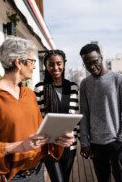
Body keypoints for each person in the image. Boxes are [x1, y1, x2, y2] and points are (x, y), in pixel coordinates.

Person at [0, 38, 75, 181]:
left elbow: (40, 135)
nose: (34, 66)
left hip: (38, 171)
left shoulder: (29, 94)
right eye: (32, 61)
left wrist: (57, 140)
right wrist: (19, 146)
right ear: (19, 62)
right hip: (12, 177)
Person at [79, 44, 122, 182]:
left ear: (101, 58)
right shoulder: (84, 84)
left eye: (94, 61)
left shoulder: (118, 79)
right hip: (95, 144)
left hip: (116, 141)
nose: (91, 66)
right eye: (87, 64)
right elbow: (84, 114)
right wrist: (85, 142)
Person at [34, 50, 79, 182]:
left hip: (69, 144)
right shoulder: (40, 88)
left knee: (64, 178)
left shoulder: (73, 87)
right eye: (51, 64)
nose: (55, 68)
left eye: (59, 63)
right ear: (46, 66)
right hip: (49, 144)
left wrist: (84, 142)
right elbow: (37, 117)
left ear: (64, 64)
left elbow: (76, 116)